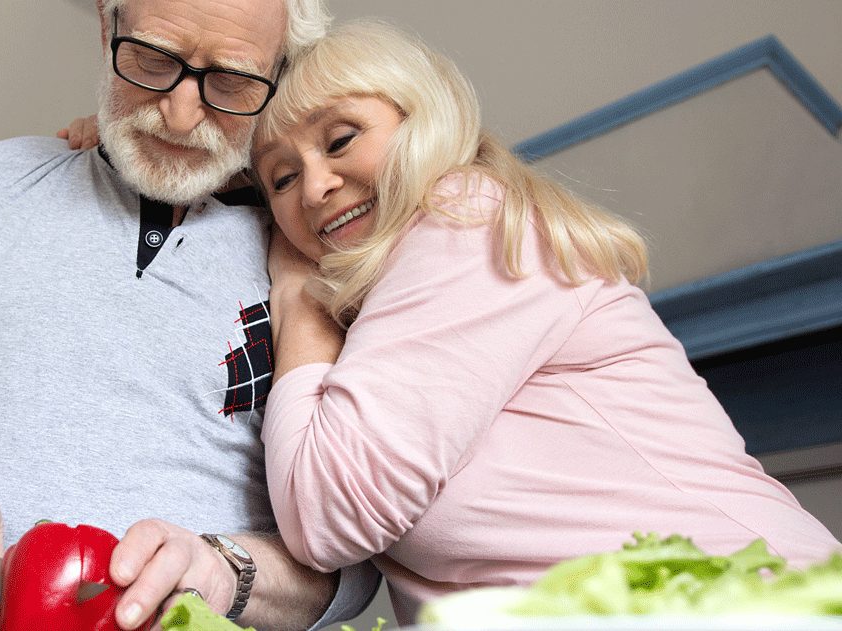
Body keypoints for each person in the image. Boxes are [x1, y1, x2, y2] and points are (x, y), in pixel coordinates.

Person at [0, 1, 381, 630]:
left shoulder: (316, 253)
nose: (180, 117)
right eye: (152, 60)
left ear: (279, 75)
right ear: (108, 27)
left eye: (231, 80)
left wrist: (224, 570)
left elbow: (355, 560)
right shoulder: (2, 179)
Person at [246, 20, 842, 625]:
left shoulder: (466, 220)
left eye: (342, 139)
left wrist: (298, 304)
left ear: (421, 118)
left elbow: (325, 516)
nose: (317, 186)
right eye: (282, 179)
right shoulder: (393, 314)